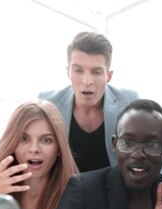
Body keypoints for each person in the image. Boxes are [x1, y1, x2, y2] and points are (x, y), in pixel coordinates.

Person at [39, 31, 139, 173]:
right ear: (68, 72)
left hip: (114, 191)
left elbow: (148, 155)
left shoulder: (129, 103)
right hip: (63, 192)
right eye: (78, 70)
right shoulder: (48, 104)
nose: (87, 81)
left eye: (96, 72)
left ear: (108, 76)